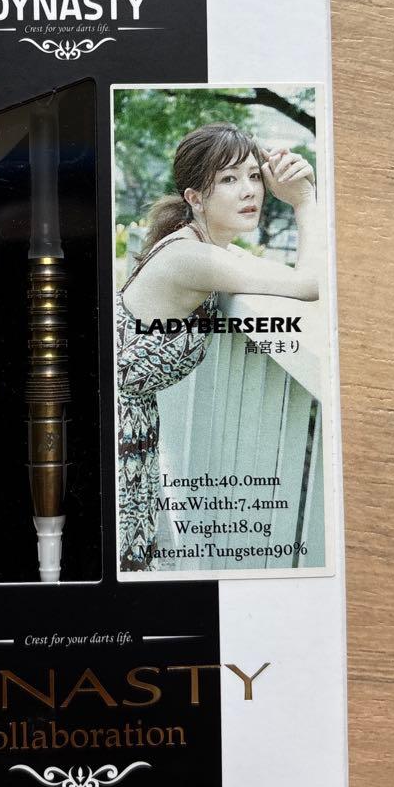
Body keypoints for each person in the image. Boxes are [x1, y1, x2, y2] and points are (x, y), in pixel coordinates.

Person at [117, 122, 320, 571]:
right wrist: (305, 199)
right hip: (118, 427)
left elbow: (295, 280)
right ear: (195, 197)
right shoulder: (193, 257)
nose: (249, 190)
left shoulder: (204, 246)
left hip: (130, 422)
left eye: (254, 176)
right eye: (228, 179)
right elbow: (310, 285)